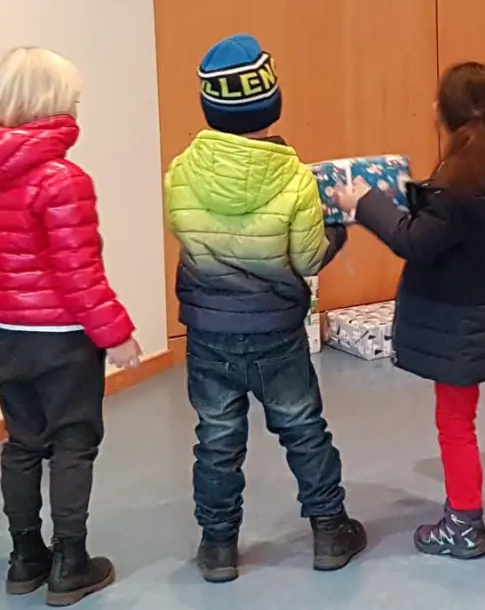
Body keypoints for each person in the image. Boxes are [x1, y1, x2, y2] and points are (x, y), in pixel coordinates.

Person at [337, 62, 485, 559]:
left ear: (439, 111)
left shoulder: (451, 188)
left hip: (456, 327)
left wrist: (366, 202)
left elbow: (412, 241)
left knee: (456, 423)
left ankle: (463, 522)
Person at [164, 34, 365, 582]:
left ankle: (219, 548)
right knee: (303, 427)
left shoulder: (181, 170)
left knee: (216, 438)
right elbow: (307, 259)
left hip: (207, 331)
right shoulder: (297, 180)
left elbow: (183, 227)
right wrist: (335, 227)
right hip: (276, 332)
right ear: (272, 105)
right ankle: (328, 532)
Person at [0, 47, 141, 606]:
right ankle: (70, 562)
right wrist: (117, 333)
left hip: (5, 336)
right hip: (61, 340)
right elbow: (78, 272)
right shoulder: (63, 179)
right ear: (55, 104)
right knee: (72, 444)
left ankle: (23, 557)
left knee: (20, 443)